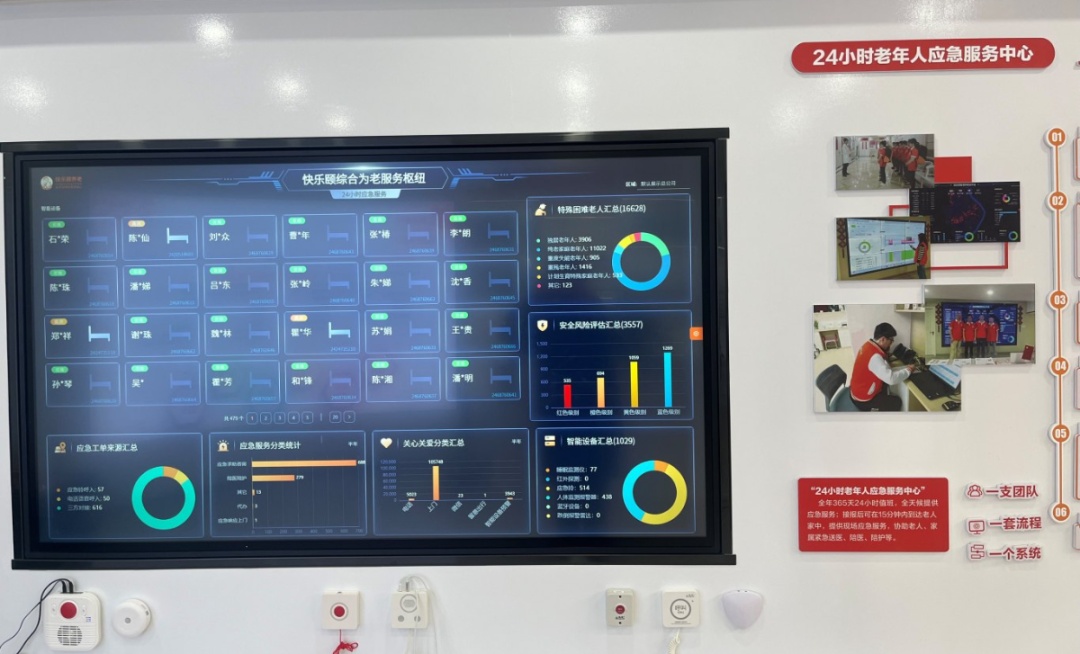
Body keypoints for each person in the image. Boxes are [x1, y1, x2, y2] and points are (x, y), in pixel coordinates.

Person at [849, 322, 914, 411]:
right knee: (896, 402)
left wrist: (905, 368)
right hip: (862, 400)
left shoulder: (868, 345)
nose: (891, 344)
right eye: (891, 340)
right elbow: (891, 379)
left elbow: (886, 370)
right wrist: (908, 371)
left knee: (885, 386)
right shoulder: (875, 357)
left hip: (857, 390)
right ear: (883, 339)